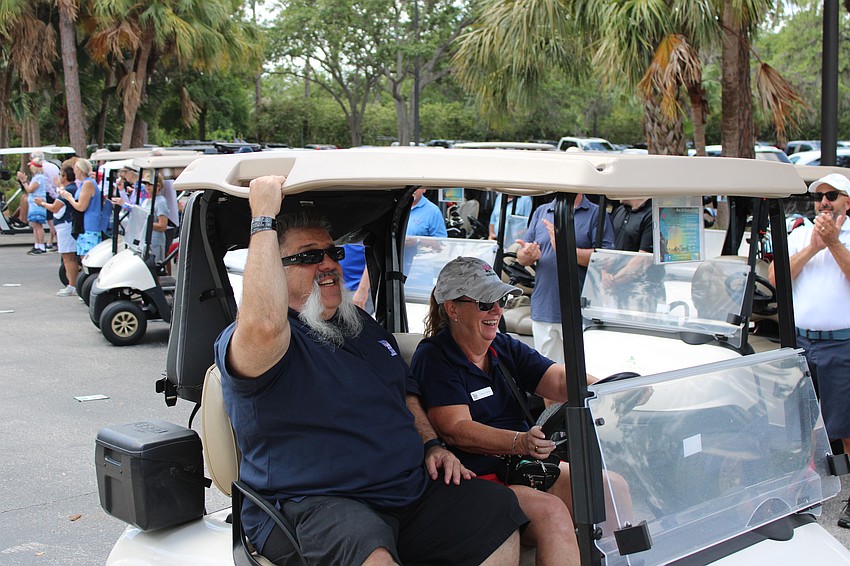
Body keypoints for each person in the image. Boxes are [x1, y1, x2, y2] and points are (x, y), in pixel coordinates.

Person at [214, 175, 526, 565]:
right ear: (272, 272)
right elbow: (262, 325)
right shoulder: (261, 341)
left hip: (403, 491)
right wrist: (262, 218)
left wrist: (431, 444)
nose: (328, 264)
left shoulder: (359, 324)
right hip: (313, 504)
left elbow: (404, 391)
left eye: (333, 253)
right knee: (368, 548)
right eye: (310, 256)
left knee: (495, 509)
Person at [411, 257, 631, 565]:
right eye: (486, 302)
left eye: (500, 300)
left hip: (523, 465)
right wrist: (519, 441)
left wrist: (608, 388)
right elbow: (455, 428)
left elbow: (555, 379)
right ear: (452, 308)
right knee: (552, 512)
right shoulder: (435, 357)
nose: (497, 311)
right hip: (477, 477)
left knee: (611, 488)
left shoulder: (502, 346)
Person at [768, 172, 850, 529]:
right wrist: (815, 245)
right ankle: (806, 488)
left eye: (832, 195)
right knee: (802, 421)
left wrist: (833, 244)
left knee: (846, 425)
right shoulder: (801, 233)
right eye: (819, 197)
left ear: (847, 201)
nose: (824, 202)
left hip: (842, 344)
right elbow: (775, 277)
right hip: (802, 343)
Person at [516, 194, 614, 364]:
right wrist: (527, 254)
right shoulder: (541, 211)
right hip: (544, 308)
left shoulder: (596, 214)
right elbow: (522, 257)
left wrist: (565, 248)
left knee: (580, 374)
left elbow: (606, 259)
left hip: (580, 311)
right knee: (547, 376)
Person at [34, 166, 79, 296]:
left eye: (61, 175)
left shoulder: (68, 190)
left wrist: (42, 203)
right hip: (65, 225)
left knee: (68, 256)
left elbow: (54, 207)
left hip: (66, 226)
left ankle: (72, 285)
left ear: (65, 177)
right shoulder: (71, 189)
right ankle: (72, 284)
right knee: (68, 256)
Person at [58, 158, 103, 258]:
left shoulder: (88, 184)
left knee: (87, 257)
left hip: (89, 226)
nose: (74, 172)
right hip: (85, 224)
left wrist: (69, 197)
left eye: (75, 169)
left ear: (79, 170)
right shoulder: (85, 183)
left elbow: (81, 207)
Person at [16, 158, 49, 255]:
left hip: (37, 203)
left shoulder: (39, 177)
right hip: (34, 203)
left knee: (38, 225)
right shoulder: (37, 177)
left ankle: (41, 245)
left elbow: (30, 190)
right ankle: (37, 244)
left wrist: (24, 181)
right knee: (35, 225)